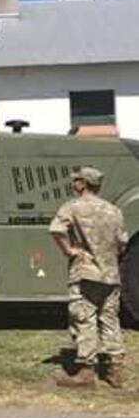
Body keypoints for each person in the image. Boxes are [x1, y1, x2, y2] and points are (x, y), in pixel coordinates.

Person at [49, 166, 129, 388]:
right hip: (111, 275)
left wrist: (69, 250)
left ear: (83, 184)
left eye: (76, 181)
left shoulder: (72, 207)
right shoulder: (114, 210)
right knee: (110, 320)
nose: (73, 184)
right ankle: (115, 369)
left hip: (85, 273)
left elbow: (56, 230)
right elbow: (122, 242)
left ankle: (86, 371)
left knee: (84, 318)